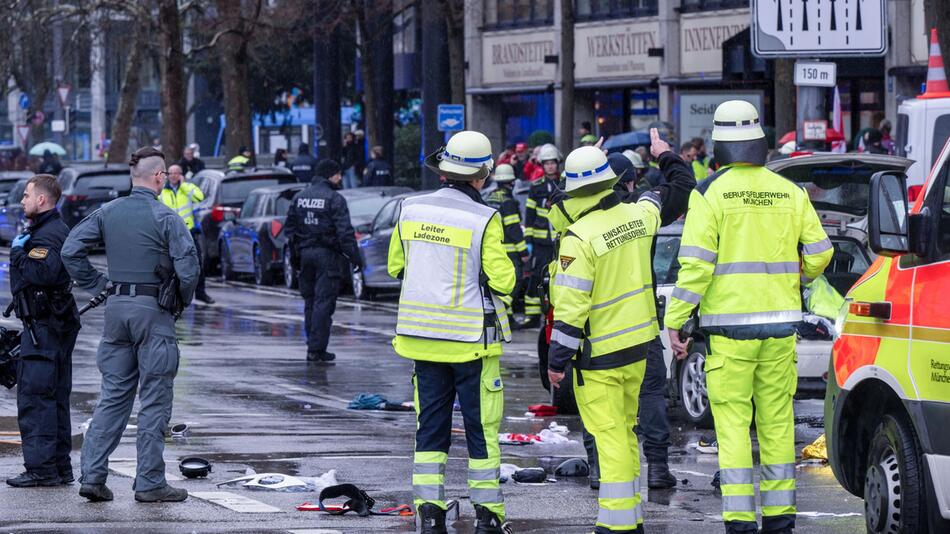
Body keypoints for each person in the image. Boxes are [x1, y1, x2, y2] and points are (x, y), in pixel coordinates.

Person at [664, 100, 833, 534]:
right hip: (779, 331)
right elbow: (821, 253)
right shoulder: (790, 192)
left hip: (728, 334)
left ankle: (740, 520)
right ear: (759, 142)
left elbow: (697, 267)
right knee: (777, 424)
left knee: (734, 427)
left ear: (719, 145)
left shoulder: (709, 194)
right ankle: (780, 519)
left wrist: (676, 320)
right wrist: (795, 277)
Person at [545, 131, 693, 533]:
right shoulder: (639, 216)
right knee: (626, 436)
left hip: (599, 361)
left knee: (610, 439)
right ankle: (631, 517)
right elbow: (671, 190)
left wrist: (556, 364)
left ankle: (616, 525)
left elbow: (571, 310)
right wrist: (666, 157)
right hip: (639, 351)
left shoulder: (578, 238)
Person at [388, 130, 514, 534]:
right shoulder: (484, 218)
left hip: (421, 340)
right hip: (469, 346)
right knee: (481, 433)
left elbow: (396, 266)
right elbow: (504, 280)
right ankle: (488, 517)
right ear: (483, 174)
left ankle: (429, 514)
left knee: (431, 429)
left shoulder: (410, 207)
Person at [62, 146, 200, 503]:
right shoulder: (166, 217)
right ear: (159, 177)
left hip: (116, 312)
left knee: (112, 397)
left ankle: (92, 476)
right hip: (153, 313)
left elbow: (70, 250)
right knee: (154, 399)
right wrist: (179, 301)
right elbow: (188, 268)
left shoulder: (108, 212)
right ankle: (150, 482)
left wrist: (96, 285)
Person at [5, 175, 81, 488]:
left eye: (26, 196)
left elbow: (42, 272)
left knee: (37, 398)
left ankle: (42, 469)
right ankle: (59, 467)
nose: (22, 201)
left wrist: (17, 254)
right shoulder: (47, 230)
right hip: (50, 325)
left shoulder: (48, 234)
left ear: (41, 200)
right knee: (54, 397)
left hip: (45, 326)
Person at [283, 159, 360, 362]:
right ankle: (316, 350)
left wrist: (296, 254)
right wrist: (355, 257)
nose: (340, 178)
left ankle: (312, 344)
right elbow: (345, 232)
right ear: (330, 175)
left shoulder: (299, 197)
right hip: (327, 256)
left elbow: (289, 229)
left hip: (305, 255)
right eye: (338, 174)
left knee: (310, 301)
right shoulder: (334, 199)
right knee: (323, 303)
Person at [159, 164, 214, 304]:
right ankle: (172, 294)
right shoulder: (162, 191)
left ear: (181, 175)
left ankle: (200, 292)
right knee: (170, 266)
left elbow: (199, 197)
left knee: (196, 263)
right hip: (169, 234)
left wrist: (184, 185)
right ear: (167, 175)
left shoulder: (187, 188)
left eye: (177, 173)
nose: (173, 176)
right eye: (170, 173)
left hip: (188, 232)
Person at [521, 143, 561, 328]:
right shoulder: (535, 187)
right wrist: (528, 241)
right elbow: (529, 215)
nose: (550, 166)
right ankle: (531, 316)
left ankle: (556, 314)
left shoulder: (564, 185)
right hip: (540, 243)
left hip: (560, 241)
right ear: (542, 165)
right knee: (537, 278)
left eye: (553, 163)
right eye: (547, 163)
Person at [485, 163, 528, 326]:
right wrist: (523, 252)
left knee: (500, 282)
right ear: (511, 182)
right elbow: (513, 229)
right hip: (510, 250)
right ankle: (502, 308)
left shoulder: (490, 197)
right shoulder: (508, 201)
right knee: (515, 281)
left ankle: (507, 319)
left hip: (493, 248)